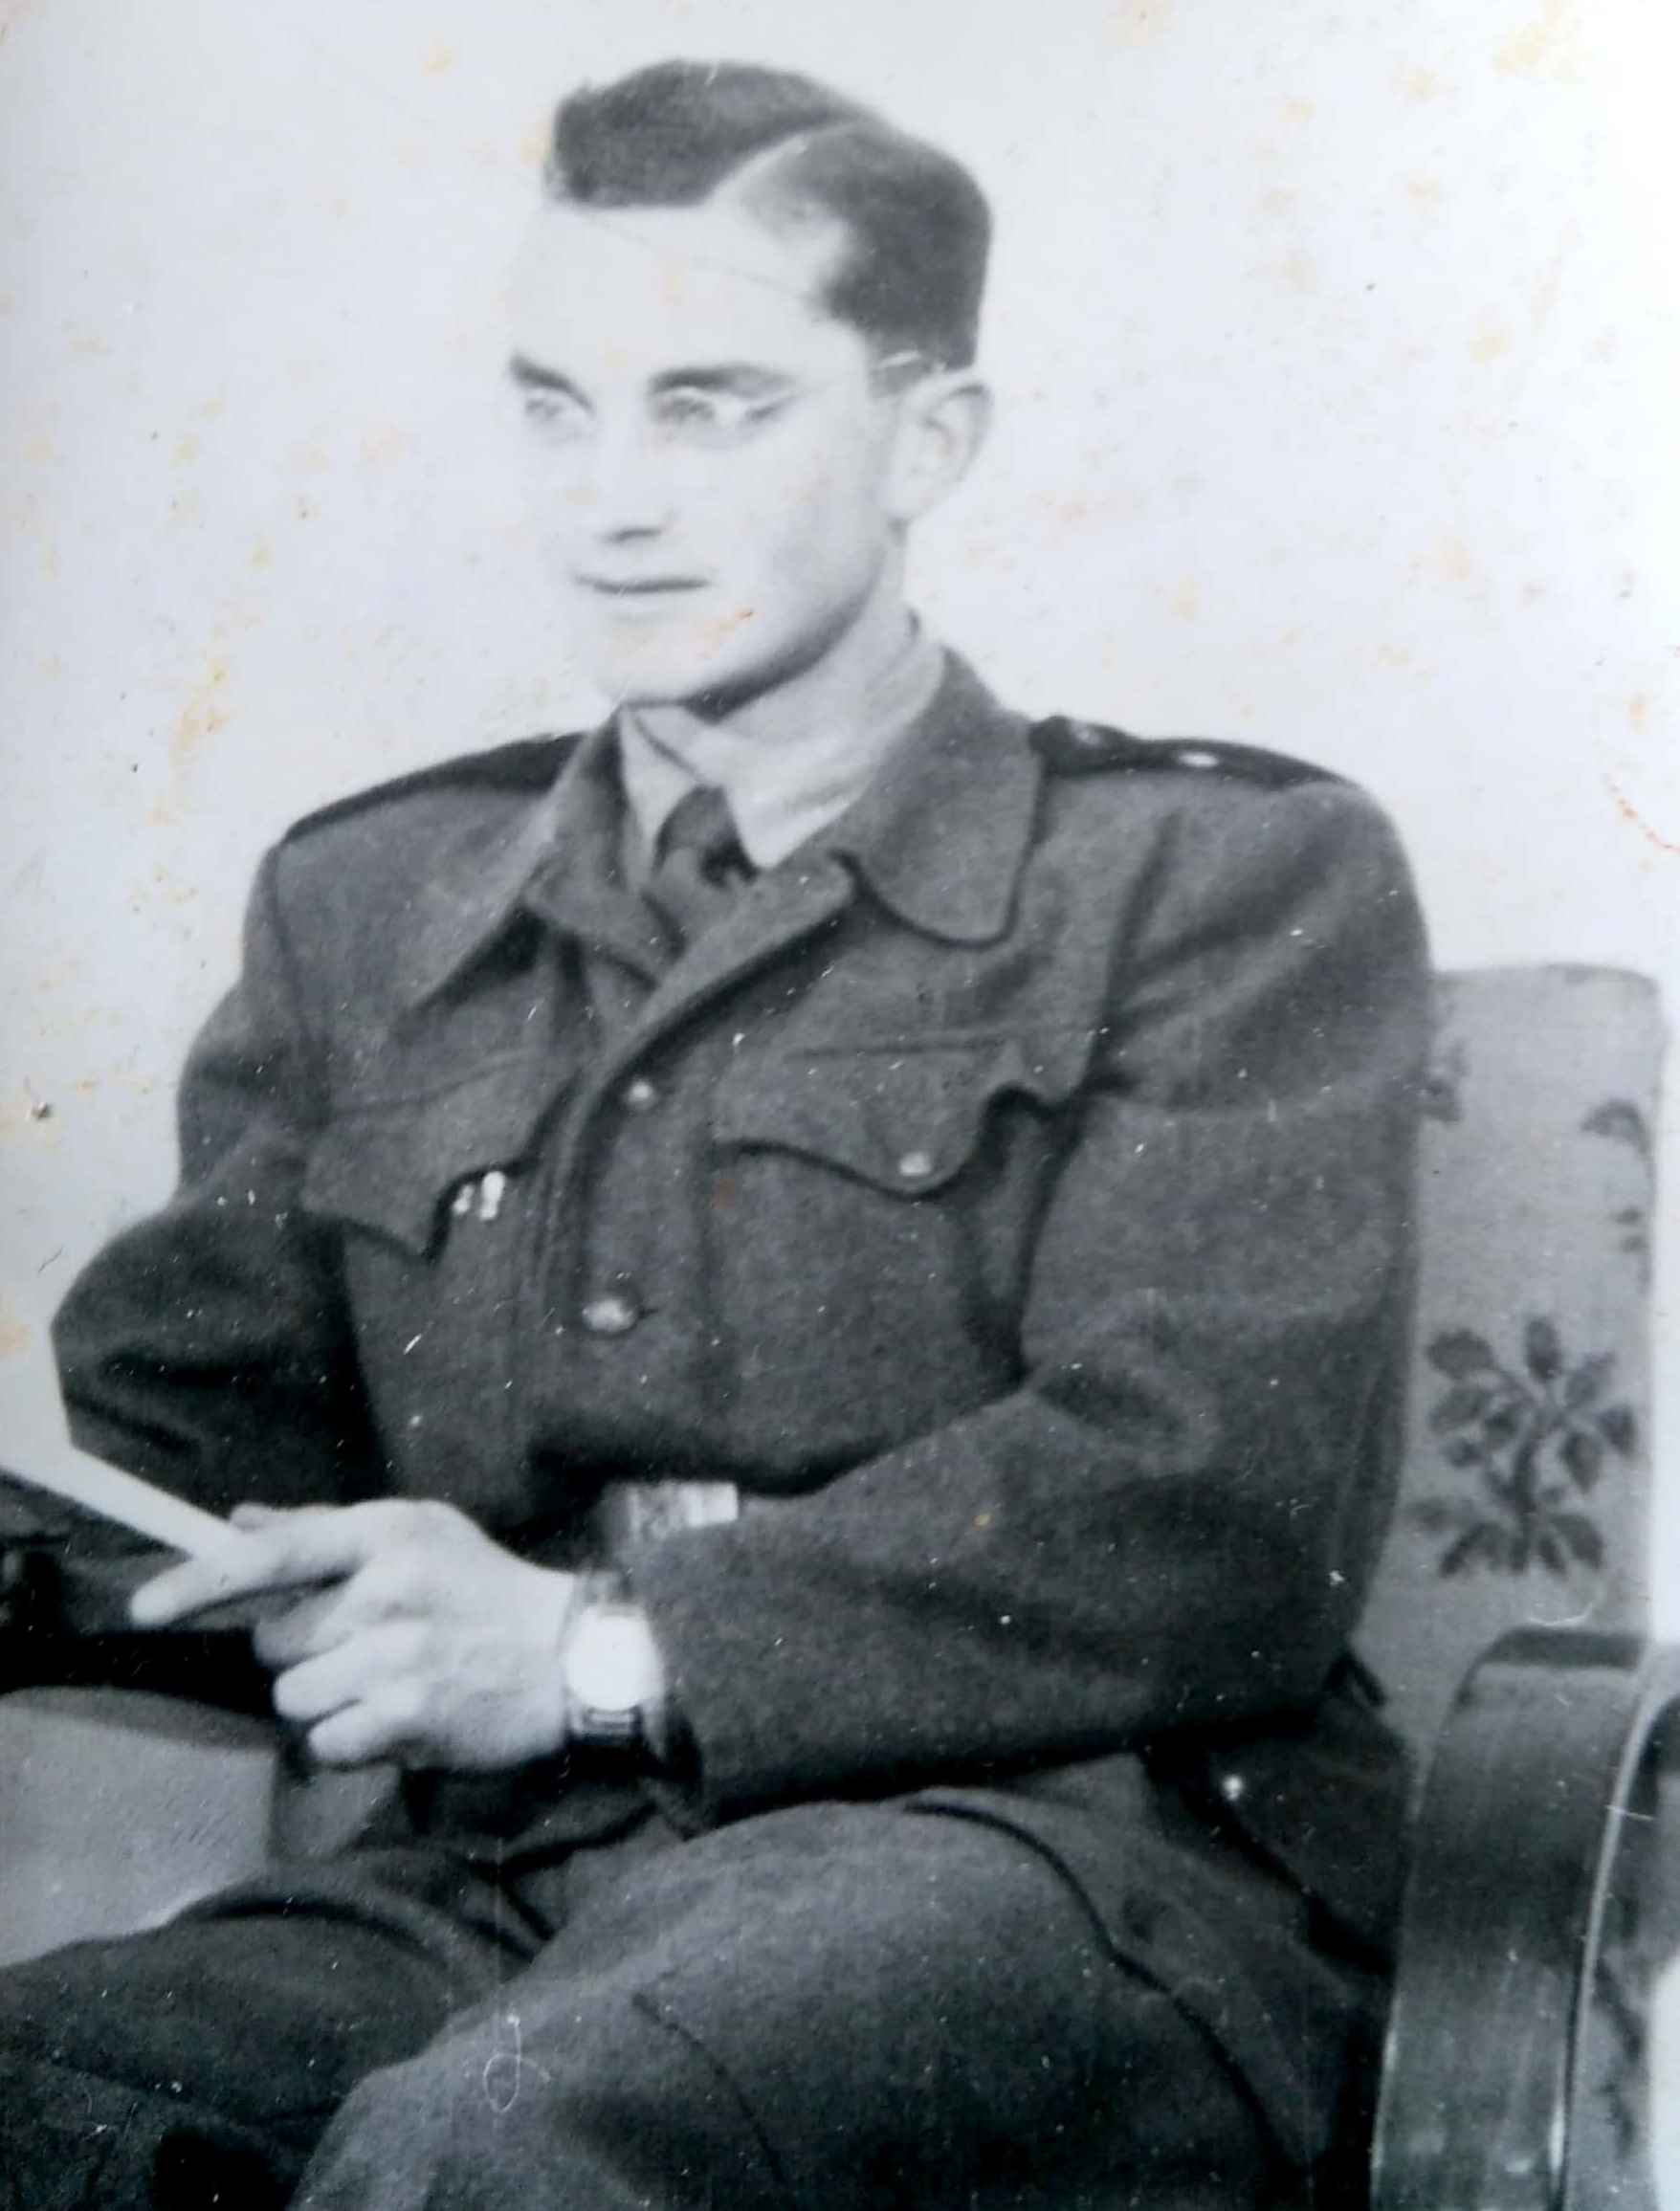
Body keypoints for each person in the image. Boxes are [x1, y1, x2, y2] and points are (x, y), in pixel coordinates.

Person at [0, 57, 1429, 2211]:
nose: (609, 503)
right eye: (554, 409)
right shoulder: (370, 902)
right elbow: (188, 1469)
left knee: (514, 2140)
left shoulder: (1217, 876)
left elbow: (1208, 1490)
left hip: (1069, 1867)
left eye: (709, 408)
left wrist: (592, 1654)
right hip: (513, 1883)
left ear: (929, 439)